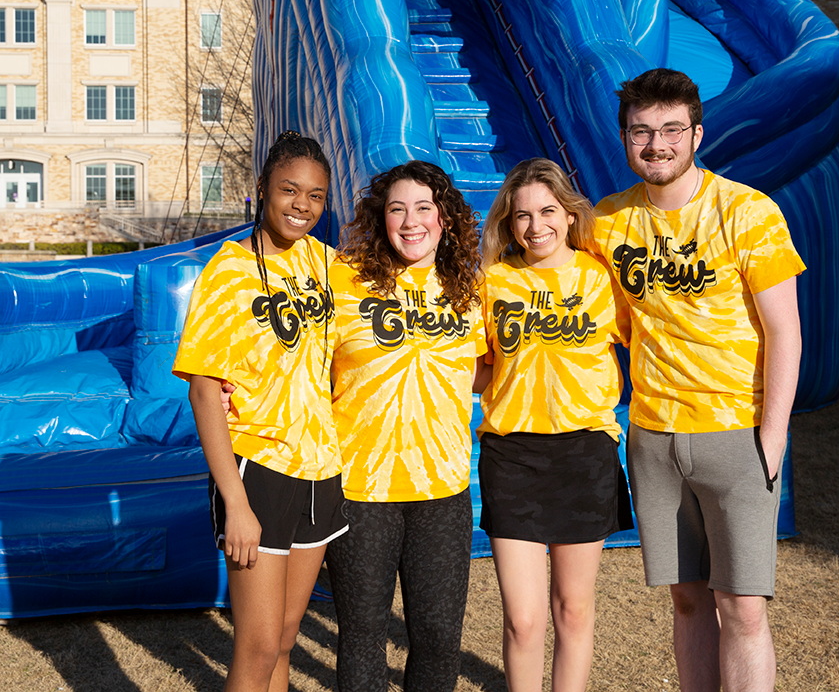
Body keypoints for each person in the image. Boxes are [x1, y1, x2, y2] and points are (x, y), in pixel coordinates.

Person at [591, 68, 805, 692]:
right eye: (640, 132)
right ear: (624, 138)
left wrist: (773, 435)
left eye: (671, 130)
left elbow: (784, 332)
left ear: (697, 134)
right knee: (686, 602)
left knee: (742, 607)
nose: (656, 145)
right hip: (654, 438)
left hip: (736, 432)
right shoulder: (607, 223)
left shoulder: (747, 211)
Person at [173, 131, 348, 692]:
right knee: (257, 642)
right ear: (261, 190)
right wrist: (236, 503)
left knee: (287, 635)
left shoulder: (327, 264)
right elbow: (204, 391)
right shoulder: (227, 271)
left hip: (320, 466)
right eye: (290, 190)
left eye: (316, 196)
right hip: (259, 468)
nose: (303, 205)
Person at [326, 159, 486, 692]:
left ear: (445, 218)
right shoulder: (342, 281)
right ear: (380, 218)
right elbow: (291, 354)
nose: (411, 221)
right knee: (362, 638)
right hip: (360, 489)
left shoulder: (470, 289)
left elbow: (495, 368)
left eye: (424, 207)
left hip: (442, 489)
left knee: (439, 638)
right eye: (397, 208)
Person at [476, 158, 634, 692]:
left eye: (547, 211)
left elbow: (657, 339)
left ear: (569, 215)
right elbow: (472, 366)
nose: (535, 225)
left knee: (573, 608)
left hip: (583, 456)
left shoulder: (602, 279)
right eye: (521, 216)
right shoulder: (492, 282)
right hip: (512, 457)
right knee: (522, 619)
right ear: (508, 222)